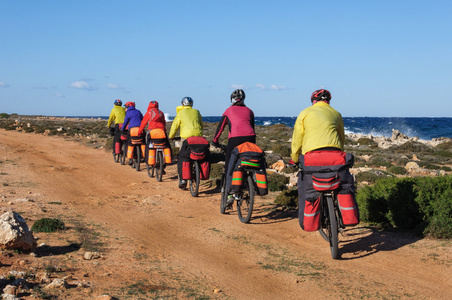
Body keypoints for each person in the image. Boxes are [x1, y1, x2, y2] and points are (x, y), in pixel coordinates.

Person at [291, 89, 357, 231]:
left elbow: (297, 139)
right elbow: (341, 136)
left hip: (312, 158)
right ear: (328, 101)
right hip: (335, 156)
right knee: (343, 182)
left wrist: (295, 158)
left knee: (304, 184)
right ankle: (344, 216)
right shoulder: (336, 113)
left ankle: (308, 221)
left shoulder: (305, 113)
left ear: (313, 101)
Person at [211, 89, 256, 201]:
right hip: (250, 138)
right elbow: (252, 127)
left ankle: (230, 193)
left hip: (235, 139)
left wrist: (215, 141)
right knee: (248, 161)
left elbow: (220, 127)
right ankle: (246, 183)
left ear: (232, 99)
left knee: (229, 166)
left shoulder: (229, 110)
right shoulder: (250, 111)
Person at [168, 97, 203, 189]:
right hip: (198, 136)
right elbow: (201, 124)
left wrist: (171, 136)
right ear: (192, 104)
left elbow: (175, 125)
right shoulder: (197, 112)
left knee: (182, 158)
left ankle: (183, 180)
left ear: (182, 104)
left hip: (186, 138)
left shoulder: (180, 113)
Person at [138, 100, 171, 172]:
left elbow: (143, 123)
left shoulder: (148, 113)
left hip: (152, 132)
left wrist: (139, 132)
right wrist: (164, 130)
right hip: (161, 132)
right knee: (166, 145)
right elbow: (164, 123)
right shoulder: (161, 113)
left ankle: (148, 161)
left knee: (147, 145)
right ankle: (164, 164)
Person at [122, 101, 144, 165]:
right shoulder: (138, 111)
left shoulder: (128, 113)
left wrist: (122, 128)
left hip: (132, 129)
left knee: (129, 143)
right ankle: (143, 155)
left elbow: (125, 122)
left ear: (127, 107)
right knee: (143, 141)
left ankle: (130, 159)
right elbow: (142, 119)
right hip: (140, 129)